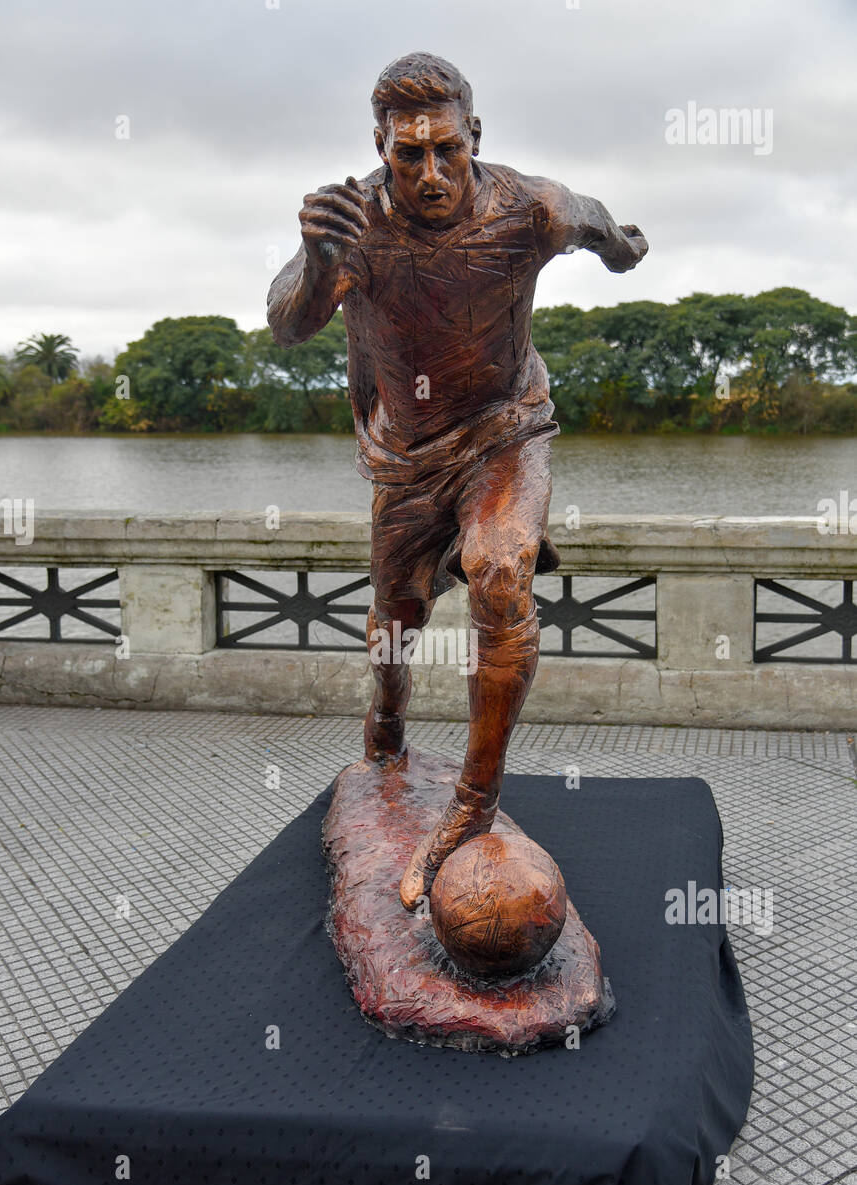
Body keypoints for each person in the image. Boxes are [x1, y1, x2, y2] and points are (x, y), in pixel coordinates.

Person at [267, 52, 647, 910]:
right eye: (408, 155)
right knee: (396, 620)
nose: (431, 174)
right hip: (405, 458)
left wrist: (625, 248)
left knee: (501, 576)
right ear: (380, 147)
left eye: (447, 150)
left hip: (504, 431)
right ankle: (388, 723)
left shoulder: (534, 210)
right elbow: (288, 325)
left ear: (474, 136)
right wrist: (318, 257)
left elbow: (608, 235)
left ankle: (473, 802)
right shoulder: (351, 224)